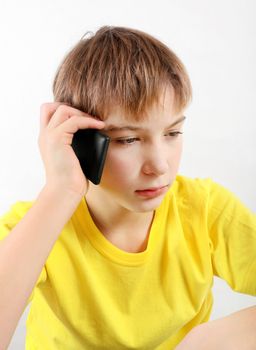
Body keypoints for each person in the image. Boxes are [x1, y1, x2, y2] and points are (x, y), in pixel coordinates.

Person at [0, 26, 255, 350]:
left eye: (173, 133)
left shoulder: (204, 209)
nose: (159, 165)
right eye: (128, 140)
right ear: (81, 141)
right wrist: (60, 190)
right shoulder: (36, 223)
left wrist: (211, 340)